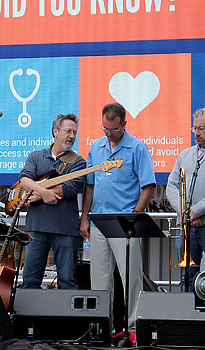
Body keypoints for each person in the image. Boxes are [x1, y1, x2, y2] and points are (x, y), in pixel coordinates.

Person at [80, 103, 155, 331]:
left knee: (130, 278)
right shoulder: (96, 147)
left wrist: (134, 216)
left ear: (124, 124)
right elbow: (90, 187)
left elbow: (149, 187)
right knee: (100, 278)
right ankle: (103, 326)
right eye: (104, 128)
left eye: (113, 130)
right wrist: (85, 218)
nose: (108, 134)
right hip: (99, 220)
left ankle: (133, 327)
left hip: (125, 222)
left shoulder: (138, 148)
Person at [19, 113, 86, 289]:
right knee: (30, 280)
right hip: (36, 228)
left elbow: (70, 188)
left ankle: (65, 317)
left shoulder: (78, 162)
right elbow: (24, 180)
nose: (72, 136)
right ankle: (29, 317)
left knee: (67, 282)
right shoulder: (36, 157)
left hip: (65, 229)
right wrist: (44, 193)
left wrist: (37, 195)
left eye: (75, 132)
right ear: (55, 132)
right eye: (68, 131)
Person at [166, 107, 205, 291]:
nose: (196, 133)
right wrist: (187, 214)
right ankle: (186, 316)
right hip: (186, 225)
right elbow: (171, 186)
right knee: (186, 277)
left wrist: (195, 211)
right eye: (194, 128)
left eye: (201, 128)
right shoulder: (185, 154)